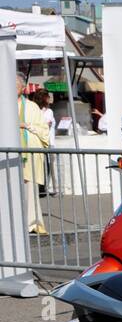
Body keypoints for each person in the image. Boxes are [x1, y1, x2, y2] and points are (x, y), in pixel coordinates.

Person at [16, 78, 49, 235]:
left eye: (16, 85)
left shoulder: (32, 107)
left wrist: (25, 126)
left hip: (28, 154)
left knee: (29, 189)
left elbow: (43, 130)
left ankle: (32, 223)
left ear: (22, 88)